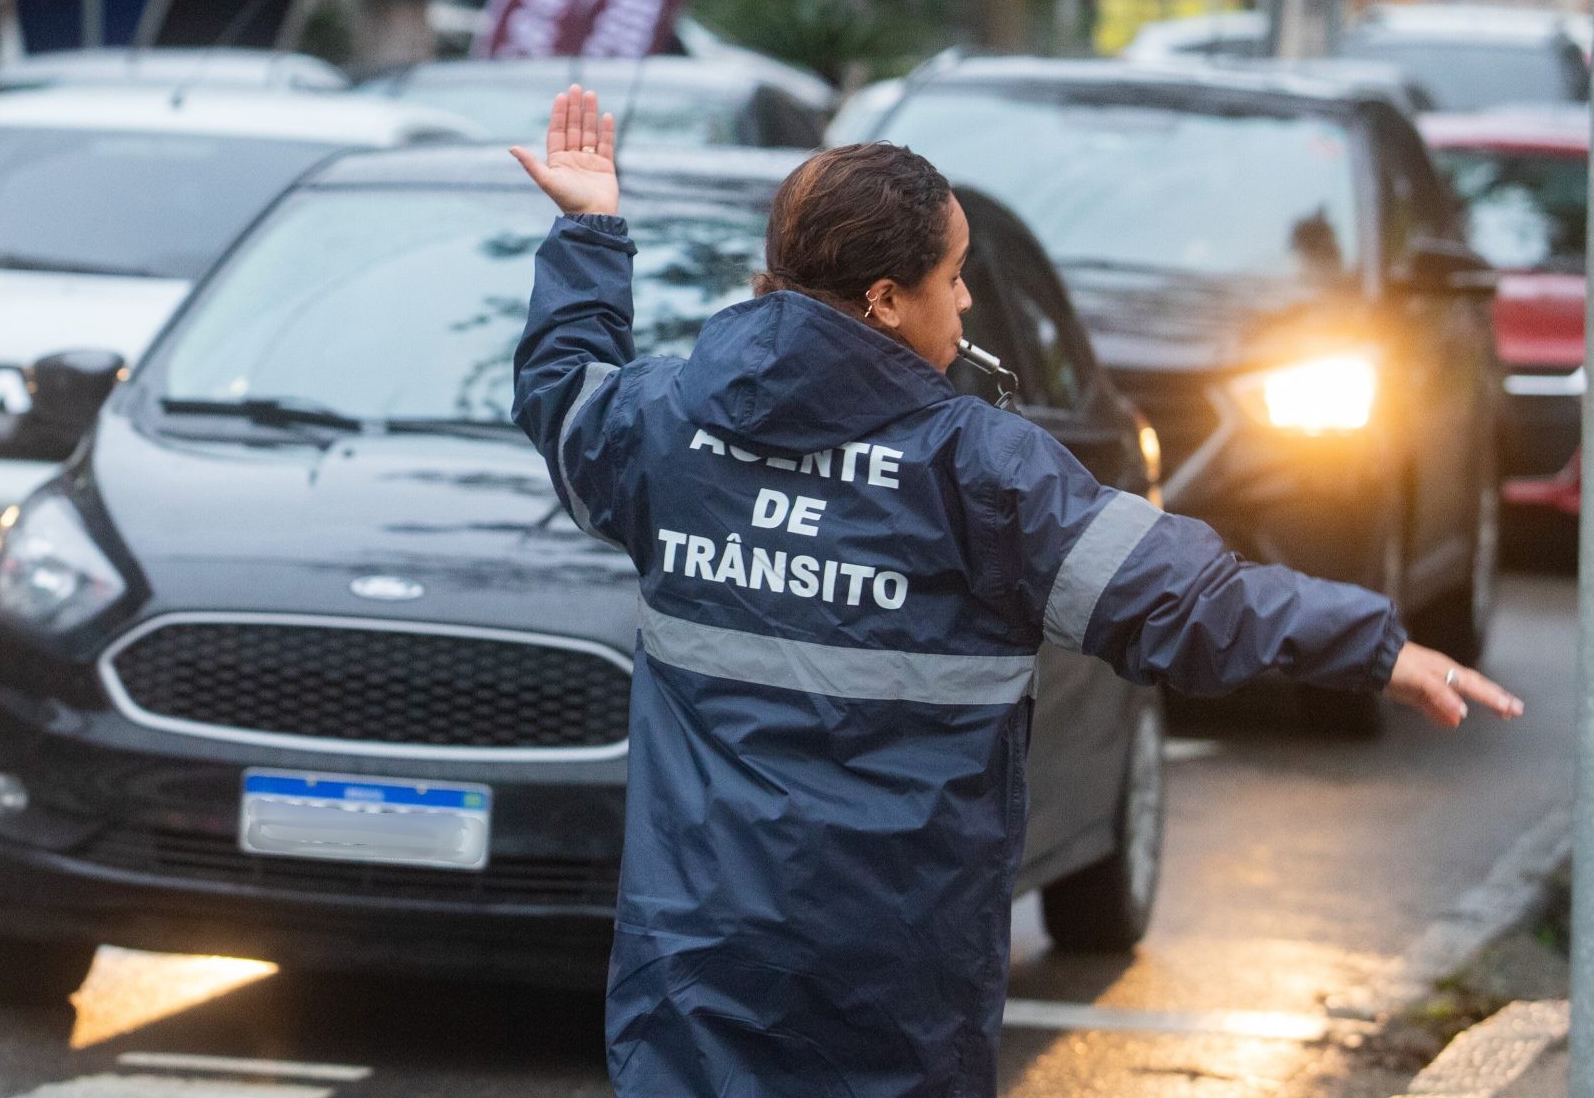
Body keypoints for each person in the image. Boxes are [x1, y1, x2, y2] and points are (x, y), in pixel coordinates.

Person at [507, 87, 1523, 1097]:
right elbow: (1180, 601)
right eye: (952, 277)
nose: (965, 301)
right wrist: (1374, 645)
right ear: (884, 299)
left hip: (695, 972)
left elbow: (562, 392)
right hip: (891, 984)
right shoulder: (981, 472)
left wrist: (590, 229)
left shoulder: (669, 429)